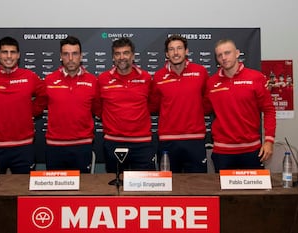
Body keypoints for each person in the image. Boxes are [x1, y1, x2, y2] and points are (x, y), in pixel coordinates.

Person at [0, 36, 47, 174]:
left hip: (24, 146)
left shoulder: (30, 77)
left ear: (18, 55)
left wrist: (29, 111)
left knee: (25, 190)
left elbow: (44, 96)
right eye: (4, 52)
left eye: (13, 52)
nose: (9, 56)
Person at [204, 39, 276, 171]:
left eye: (227, 53)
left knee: (254, 192)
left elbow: (269, 110)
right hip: (222, 152)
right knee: (224, 192)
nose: (224, 58)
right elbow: (202, 109)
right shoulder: (211, 83)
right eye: (220, 55)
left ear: (237, 53)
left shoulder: (256, 78)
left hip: (252, 150)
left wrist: (269, 141)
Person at [149, 35, 208, 173]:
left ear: (186, 51)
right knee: (168, 188)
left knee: (198, 186)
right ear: (166, 54)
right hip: (167, 141)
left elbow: (207, 102)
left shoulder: (200, 72)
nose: (176, 53)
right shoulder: (158, 76)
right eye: (171, 49)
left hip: (195, 140)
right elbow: (154, 106)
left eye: (179, 48)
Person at [98, 37, 156, 173]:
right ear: (113, 57)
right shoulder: (103, 79)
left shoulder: (146, 78)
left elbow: (153, 105)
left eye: (126, 53)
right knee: (114, 188)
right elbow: (97, 107)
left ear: (133, 56)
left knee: (145, 189)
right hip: (113, 142)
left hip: (142, 143)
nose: (121, 57)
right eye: (117, 54)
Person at [44, 36, 99, 173]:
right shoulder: (49, 80)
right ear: (60, 56)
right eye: (66, 54)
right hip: (55, 146)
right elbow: (39, 105)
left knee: (82, 191)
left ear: (81, 56)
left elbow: (99, 109)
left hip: (82, 146)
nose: (70, 58)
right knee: (54, 191)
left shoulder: (92, 81)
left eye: (74, 54)